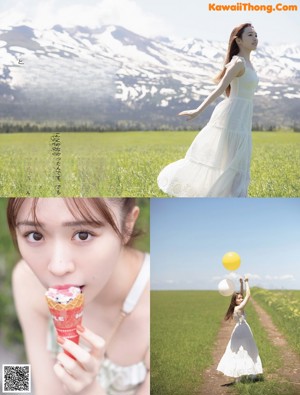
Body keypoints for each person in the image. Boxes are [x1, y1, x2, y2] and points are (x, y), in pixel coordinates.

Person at [7, 198, 150, 395]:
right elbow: (44, 389)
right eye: (35, 235)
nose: (58, 267)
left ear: (127, 226)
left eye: (83, 235)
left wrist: (90, 388)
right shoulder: (26, 279)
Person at [157, 23, 259, 197]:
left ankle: (233, 197)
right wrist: (198, 110)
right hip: (232, 117)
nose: (255, 38)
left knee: (240, 163)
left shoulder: (250, 64)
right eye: (250, 35)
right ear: (239, 41)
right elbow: (219, 89)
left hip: (243, 118)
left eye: (256, 35)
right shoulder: (238, 63)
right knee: (233, 164)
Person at [217, 277, 263, 381]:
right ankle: (250, 373)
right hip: (243, 331)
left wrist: (241, 284)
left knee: (239, 352)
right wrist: (247, 282)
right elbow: (248, 295)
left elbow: (241, 295)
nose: (241, 299)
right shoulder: (238, 308)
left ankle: (240, 376)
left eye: (241, 298)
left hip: (239, 330)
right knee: (248, 350)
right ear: (234, 301)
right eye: (238, 298)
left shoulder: (236, 307)